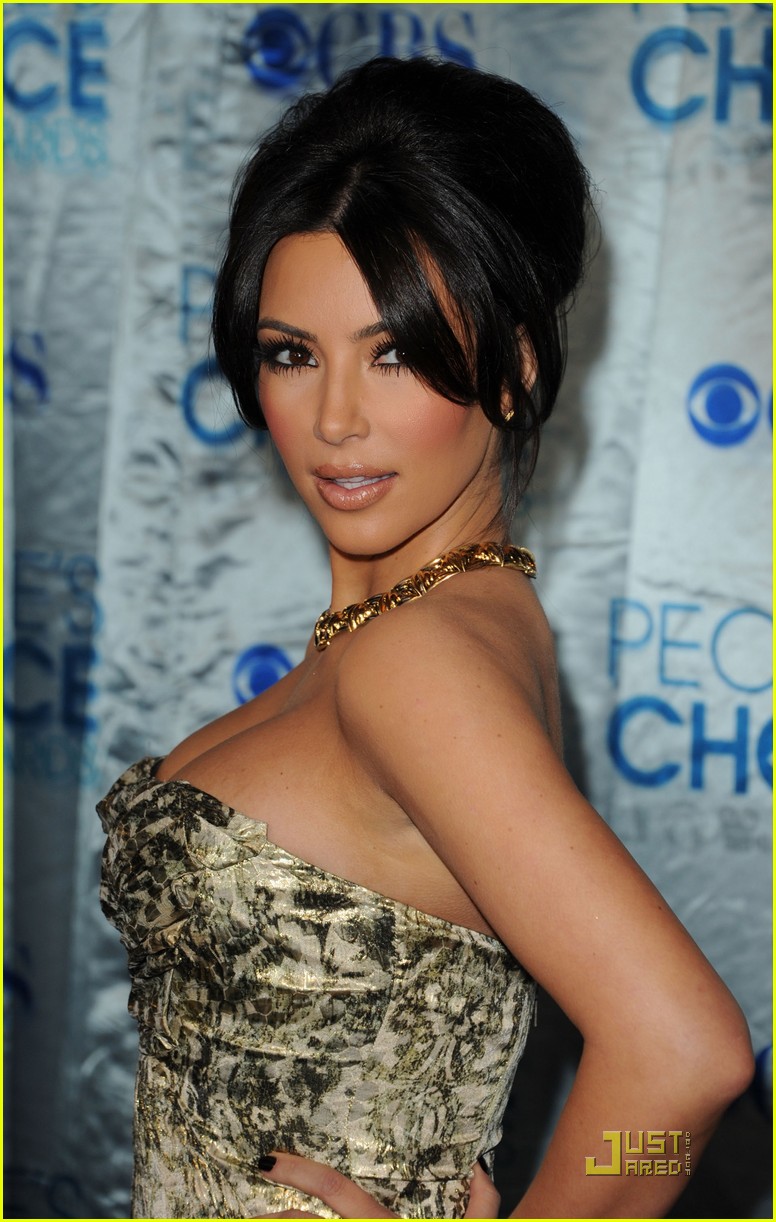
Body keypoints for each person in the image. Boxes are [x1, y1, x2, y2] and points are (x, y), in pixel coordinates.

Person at [98, 56, 754, 1220]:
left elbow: (687, 1056)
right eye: (292, 353)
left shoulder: (420, 661)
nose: (334, 419)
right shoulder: (422, 627)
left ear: (513, 366)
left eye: (393, 352)